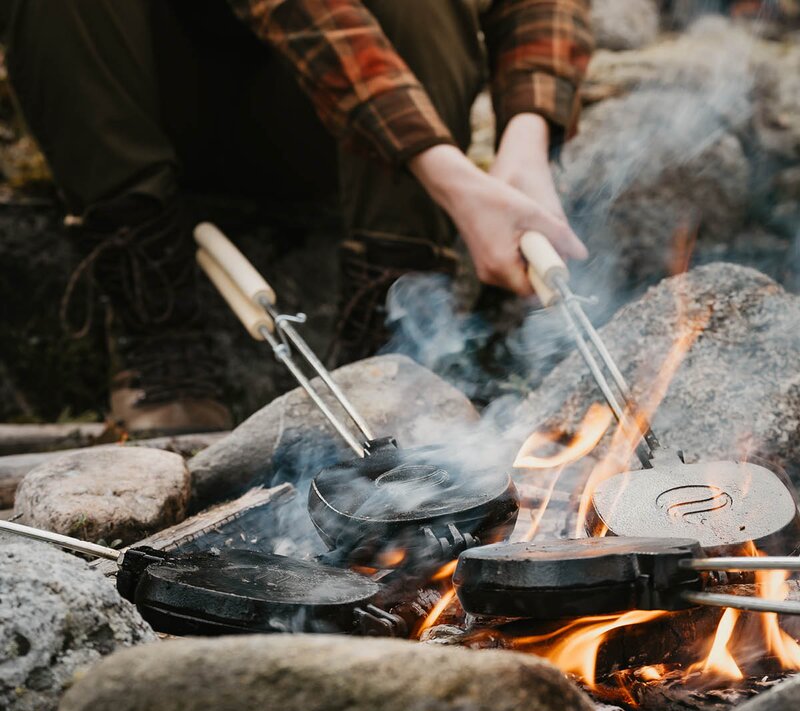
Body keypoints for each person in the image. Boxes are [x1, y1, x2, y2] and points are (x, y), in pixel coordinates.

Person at [3, 0, 593, 436]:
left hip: (326, 132)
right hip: (155, 97)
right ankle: (158, 335)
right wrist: (451, 177)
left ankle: (384, 353)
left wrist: (528, 132)